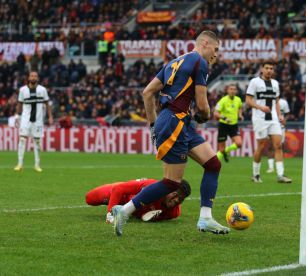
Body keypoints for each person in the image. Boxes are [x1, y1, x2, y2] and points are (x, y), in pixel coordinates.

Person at [111, 30, 230, 236]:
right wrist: (206, 114)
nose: (216, 54)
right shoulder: (199, 63)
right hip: (175, 121)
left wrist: (152, 126)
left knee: (213, 164)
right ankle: (125, 210)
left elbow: (147, 92)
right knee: (172, 182)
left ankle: (206, 218)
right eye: (216, 48)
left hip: (177, 120)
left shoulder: (175, 62)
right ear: (204, 43)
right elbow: (202, 105)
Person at [245, 61, 292, 183]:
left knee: (278, 145)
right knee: (261, 146)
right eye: (267, 68)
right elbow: (248, 100)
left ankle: (280, 175)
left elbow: (276, 102)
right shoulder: (254, 82)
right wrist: (260, 107)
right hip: (259, 118)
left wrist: (280, 115)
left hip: (273, 119)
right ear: (262, 69)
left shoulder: (275, 83)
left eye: (271, 68)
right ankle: (255, 175)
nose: (269, 70)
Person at [85, 178, 191, 223]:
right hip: (124, 196)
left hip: (130, 207)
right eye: (175, 195)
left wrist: (145, 217)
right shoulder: (151, 186)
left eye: (181, 199)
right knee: (89, 199)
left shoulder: (174, 213)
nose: (177, 200)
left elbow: (144, 216)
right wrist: (110, 213)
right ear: (167, 190)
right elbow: (119, 189)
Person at [14, 71, 53, 172]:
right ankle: (20, 164)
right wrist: (17, 116)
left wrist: (50, 116)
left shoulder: (42, 90)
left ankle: (37, 165)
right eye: (31, 76)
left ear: (38, 78)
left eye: (35, 76)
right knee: (22, 139)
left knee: (37, 141)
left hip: (38, 120)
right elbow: (19, 103)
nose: (33, 77)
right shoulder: (23, 90)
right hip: (25, 119)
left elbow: (47, 104)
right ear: (28, 78)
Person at [214, 84, 243, 162]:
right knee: (221, 149)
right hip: (223, 125)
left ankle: (226, 151)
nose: (232, 91)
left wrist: (240, 115)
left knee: (239, 143)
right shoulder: (223, 100)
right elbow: (215, 113)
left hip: (234, 125)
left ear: (236, 91)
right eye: (231, 89)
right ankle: (214, 163)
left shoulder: (238, 100)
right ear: (227, 91)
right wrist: (224, 118)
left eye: (234, 89)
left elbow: (240, 107)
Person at [266, 97, 290, 175]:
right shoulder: (268, 100)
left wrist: (285, 120)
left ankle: (280, 167)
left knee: (280, 146)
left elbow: (287, 113)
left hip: (281, 127)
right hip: (270, 125)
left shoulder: (283, 102)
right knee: (270, 146)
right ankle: (271, 167)